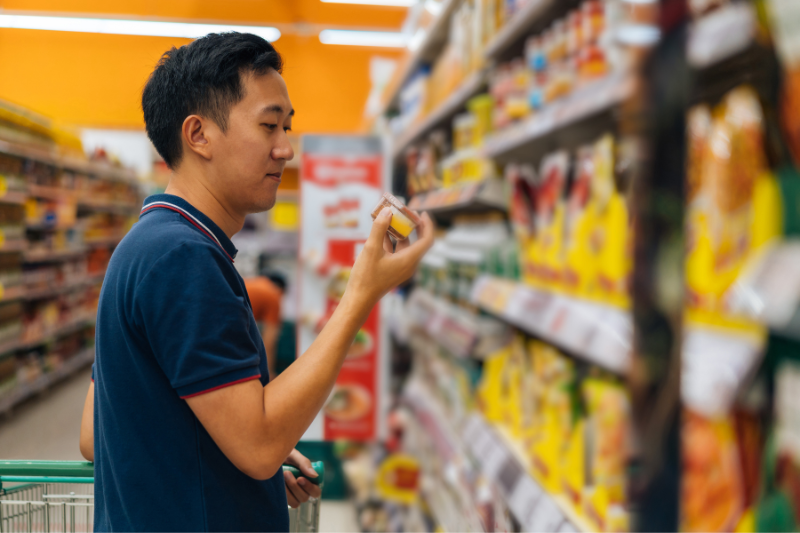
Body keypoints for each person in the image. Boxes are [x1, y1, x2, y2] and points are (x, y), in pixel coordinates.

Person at [78, 32, 434, 532]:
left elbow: (99, 433)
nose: (286, 149)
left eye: (287, 127)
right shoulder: (184, 259)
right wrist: (361, 294)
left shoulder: (144, 246)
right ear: (198, 135)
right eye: (269, 126)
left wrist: (229, 459)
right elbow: (261, 447)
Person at [244, 269, 286, 378]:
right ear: (281, 290)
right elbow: (269, 342)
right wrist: (269, 373)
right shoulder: (274, 295)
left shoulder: (253, 283)